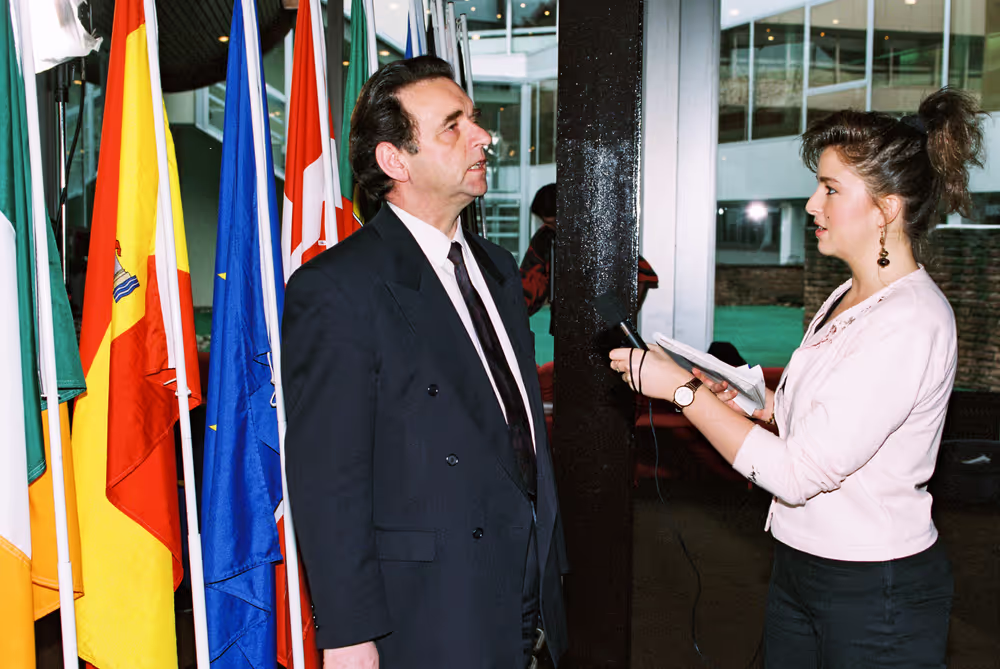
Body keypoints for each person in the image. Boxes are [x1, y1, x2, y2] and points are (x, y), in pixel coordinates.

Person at [610, 88, 985, 668]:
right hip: (803, 561)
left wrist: (680, 392)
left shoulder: (910, 321)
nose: (812, 204)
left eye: (831, 189)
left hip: (873, 585)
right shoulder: (848, 295)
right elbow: (824, 423)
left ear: (886, 209)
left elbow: (796, 473)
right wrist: (759, 405)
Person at [282, 56, 567, 669]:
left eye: (476, 120)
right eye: (453, 125)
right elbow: (328, 478)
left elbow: (512, 428)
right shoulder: (337, 288)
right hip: (429, 608)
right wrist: (348, 632)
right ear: (395, 161)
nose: (483, 136)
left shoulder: (494, 266)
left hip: (526, 585)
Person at [520, 183, 659, 318]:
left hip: (604, 317)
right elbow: (529, 282)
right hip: (566, 319)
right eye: (548, 223)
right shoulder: (544, 238)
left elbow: (641, 273)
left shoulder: (594, 233)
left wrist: (626, 316)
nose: (553, 227)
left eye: (556, 222)